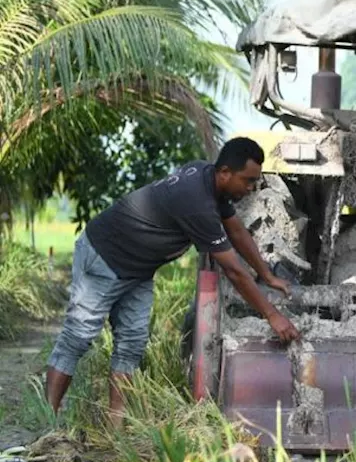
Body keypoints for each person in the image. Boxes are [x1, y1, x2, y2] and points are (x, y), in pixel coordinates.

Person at [45, 137, 300, 427]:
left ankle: (114, 430)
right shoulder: (196, 202)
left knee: (131, 345)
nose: (251, 188)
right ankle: (47, 424)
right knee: (77, 339)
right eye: (248, 180)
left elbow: (238, 232)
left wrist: (267, 275)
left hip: (138, 270)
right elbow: (234, 271)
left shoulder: (210, 180)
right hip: (104, 257)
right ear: (226, 172)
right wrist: (272, 315)